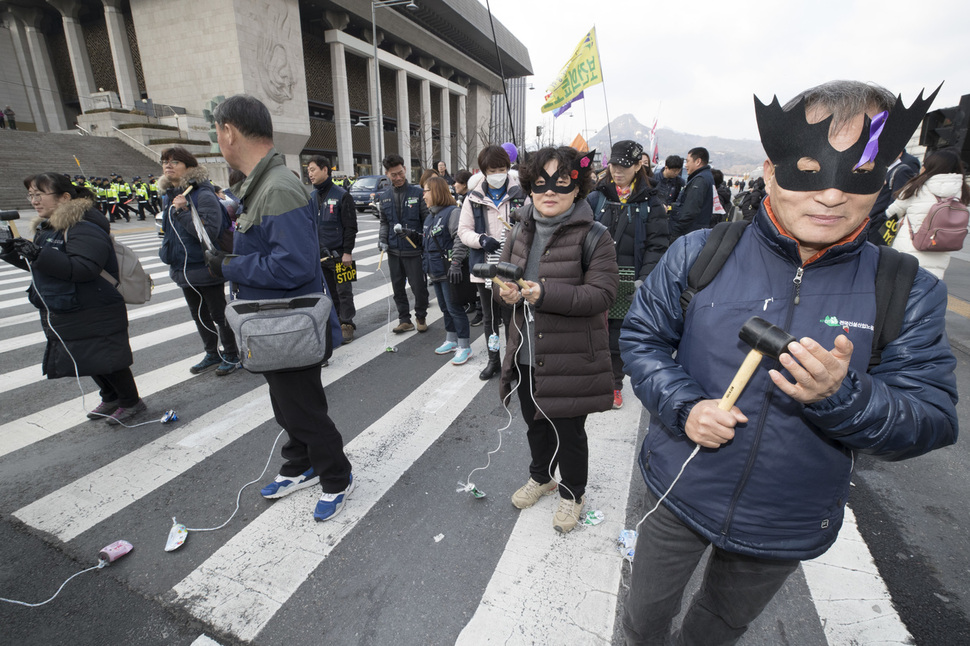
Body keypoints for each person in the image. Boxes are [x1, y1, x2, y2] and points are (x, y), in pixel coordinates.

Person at [619, 80, 957, 645]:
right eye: (808, 167)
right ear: (772, 171)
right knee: (644, 617)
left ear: (886, 179)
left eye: (858, 172)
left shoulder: (906, 290)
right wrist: (684, 406)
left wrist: (842, 398)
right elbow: (642, 339)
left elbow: (930, 418)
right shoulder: (699, 253)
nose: (829, 195)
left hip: (788, 517)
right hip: (679, 490)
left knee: (718, 627)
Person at [205, 94, 353, 522]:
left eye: (217, 131)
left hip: (287, 324)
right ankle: (300, 463)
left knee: (302, 408)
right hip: (271, 322)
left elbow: (292, 265)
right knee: (285, 405)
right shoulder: (261, 184)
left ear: (229, 131)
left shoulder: (278, 187)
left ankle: (336, 476)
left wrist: (229, 265)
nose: (218, 139)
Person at [495, 145, 618, 534]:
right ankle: (542, 476)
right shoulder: (518, 228)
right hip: (526, 350)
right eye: (541, 183)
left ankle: (572, 493)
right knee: (534, 423)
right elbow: (504, 274)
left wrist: (544, 294)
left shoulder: (596, 236)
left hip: (569, 356)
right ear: (530, 187)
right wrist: (507, 291)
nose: (550, 192)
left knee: (568, 431)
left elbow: (602, 295)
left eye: (561, 184)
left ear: (576, 189)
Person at [1, 173, 146, 425]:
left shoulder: (84, 226)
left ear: (64, 197)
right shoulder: (49, 227)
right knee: (85, 355)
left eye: (40, 194)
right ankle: (110, 396)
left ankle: (131, 401)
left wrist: (38, 254)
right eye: (31, 195)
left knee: (106, 357)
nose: (34, 201)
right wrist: (13, 251)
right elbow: (44, 265)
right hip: (68, 304)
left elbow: (83, 268)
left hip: (93, 304)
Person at [587, 139, 669, 409]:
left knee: (616, 337)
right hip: (595, 277)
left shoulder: (652, 203)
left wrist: (644, 279)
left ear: (638, 165)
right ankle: (592, 379)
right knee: (591, 331)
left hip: (629, 280)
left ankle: (614, 384)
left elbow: (657, 246)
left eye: (624, 166)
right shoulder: (596, 197)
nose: (617, 171)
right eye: (613, 165)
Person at [157, 146, 239, 377]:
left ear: (189, 167)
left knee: (218, 313)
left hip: (204, 265)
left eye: (174, 161)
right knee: (198, 314)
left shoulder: (201, 194)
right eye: (165, 161)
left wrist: (182, 212)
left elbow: (209, 232)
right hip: (183, 267)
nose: (168, 165)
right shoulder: (170, 196)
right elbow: (168, 232)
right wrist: (167, 253)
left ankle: (231, 353)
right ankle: (212, 353)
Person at [457, 144, 528, 380]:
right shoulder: (474, 197)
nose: (497, 174)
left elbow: (531, 225)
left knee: (510, 318)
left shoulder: (521, 194)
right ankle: (493, 359)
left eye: (501, 169)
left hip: (511, 268)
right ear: (483, 172)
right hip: (484, 269)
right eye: (491, 170)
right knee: (489, 319)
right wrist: (481, 240)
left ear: (508, 168)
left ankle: (512, 362)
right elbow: (463, 230)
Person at [888, 147, 970, 279]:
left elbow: (892, 212)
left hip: (909, 252)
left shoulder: (916, 188)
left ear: (930, 167)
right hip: (939, 255)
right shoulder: (960, 192)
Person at [307, 155, 358, 343]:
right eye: (308, 171)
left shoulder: (342, 195)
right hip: (321, 255)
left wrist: (347, 252)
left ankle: (347, 323)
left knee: (344, 290)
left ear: (325, 170)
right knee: (328, 292)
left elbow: (350, 227)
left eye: (313, 170)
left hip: (340, 254)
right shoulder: (311, 197)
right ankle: (336, 321)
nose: (310, 174)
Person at [378, 153, 430, 334]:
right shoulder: (384, 196)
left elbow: (427, 222)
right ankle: (404, 319)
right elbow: (384, 222)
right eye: (394, 175)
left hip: (414, 250)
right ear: (387, 174)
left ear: (405, 169)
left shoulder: (418, 193)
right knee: (397, 288)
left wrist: (420, 240)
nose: (398, 177)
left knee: (419, 287)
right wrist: (382, 240)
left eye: (400, 173)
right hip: (393, 251)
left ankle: (421, 316)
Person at [422, 176, 472, 365]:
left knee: (455, 308)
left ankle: (464, 346)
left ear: (436, 191)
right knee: (445, 308)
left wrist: (456, 263)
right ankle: (451, 340)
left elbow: (460, 238)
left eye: (426, 190)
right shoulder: (430, 216)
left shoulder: (453, 213)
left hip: (448, 270)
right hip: (435, 270)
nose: (423, 195)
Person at [866, 151, 917, 245]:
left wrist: (881, 217)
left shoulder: (903, 170)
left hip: (881, 222)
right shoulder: (883, 168)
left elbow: (897, 198)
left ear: (900, 153)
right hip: (872, 220)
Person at [669, 147, 715, 239]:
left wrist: (675, 233)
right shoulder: (705, 176)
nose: (685, 165)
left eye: (688, 161)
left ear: (698, 161)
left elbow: (690, 210)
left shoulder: (700, 180)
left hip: (690, 232)